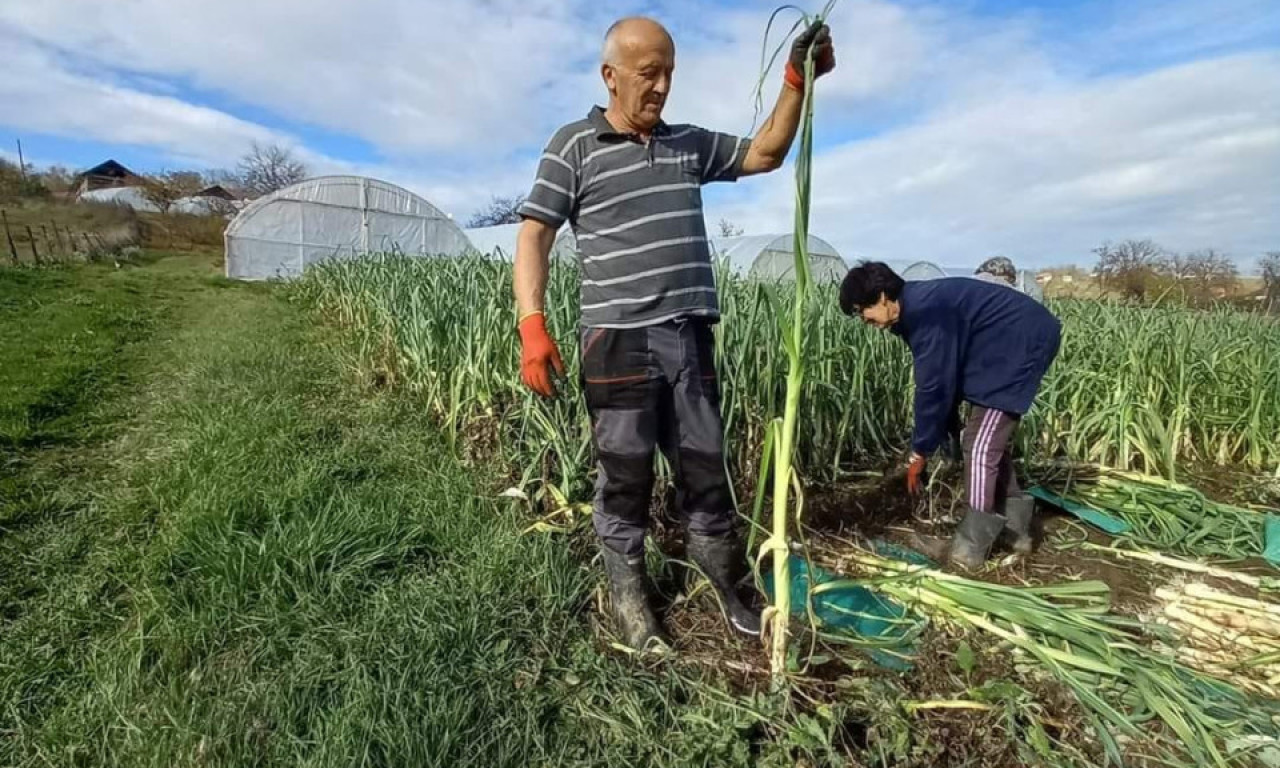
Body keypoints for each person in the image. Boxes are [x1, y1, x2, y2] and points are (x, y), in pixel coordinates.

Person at [512, 17, 835, 649]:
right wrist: (532, 323)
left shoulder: (688, 144)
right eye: (648, 73)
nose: (661, 86)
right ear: (610, 76)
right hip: (616, 341)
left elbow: (766, 152)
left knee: (705, 467)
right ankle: (630, 600)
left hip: (687, 338)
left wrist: (797, 80)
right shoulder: (574, 145)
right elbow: (535, 233)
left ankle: (727, 587)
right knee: (625, 473)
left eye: (668, 73)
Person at [838, 262, 1061, 570]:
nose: (865, 320)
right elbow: (946, 379)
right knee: (985, 441)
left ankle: (968, 550)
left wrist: (920, 450)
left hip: (1020, 343)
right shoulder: (914, 310)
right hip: (1004, 346)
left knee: (980, 446)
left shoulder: (926, 312)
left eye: (863, 311)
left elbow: (933, 387)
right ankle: (1016, 534)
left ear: (882, 297)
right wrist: (944, 432)